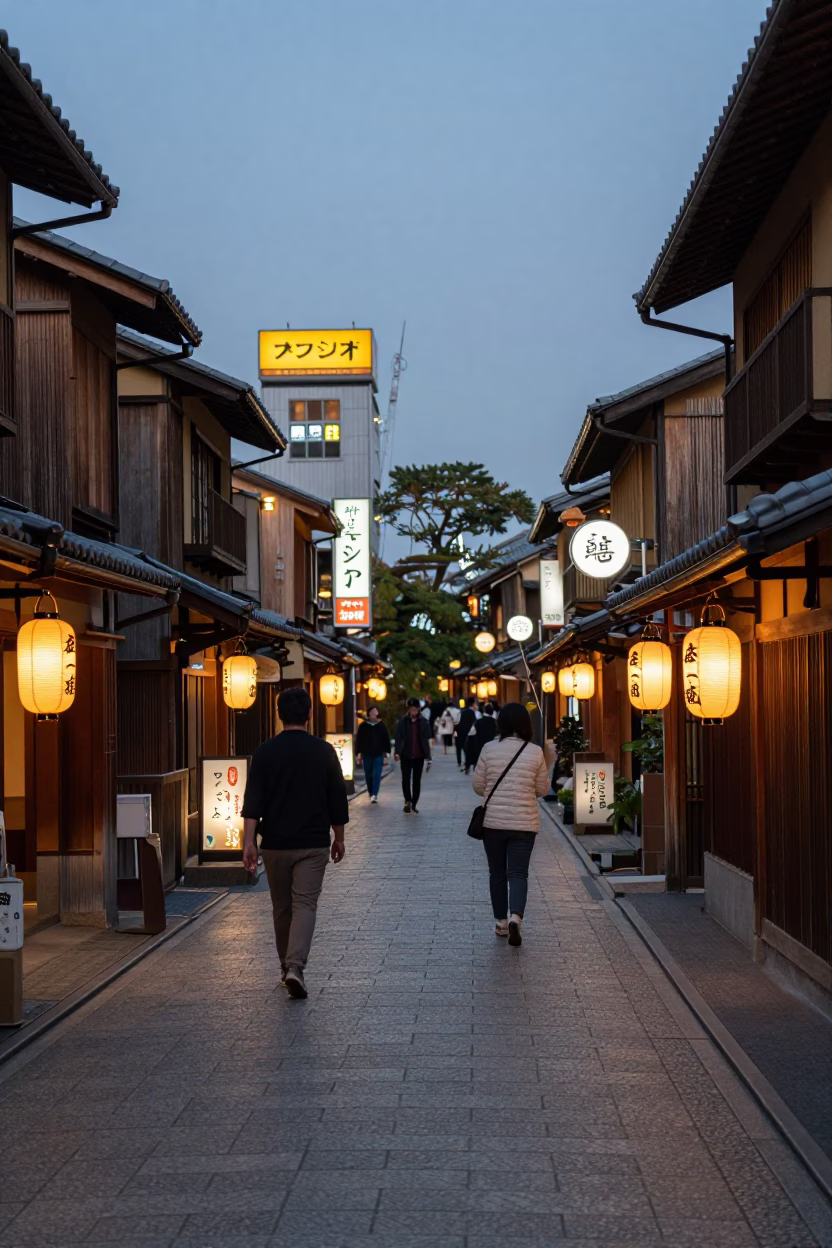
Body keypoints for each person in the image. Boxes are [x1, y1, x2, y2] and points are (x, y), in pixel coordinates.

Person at [242, 687, 348, 1000]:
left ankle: (286, 967)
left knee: (282, 908)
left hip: (274, 842)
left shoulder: (264, 752)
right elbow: (336, 798)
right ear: (310, 714)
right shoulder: (324, 751)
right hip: (313, 843)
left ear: (279, 714)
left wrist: (249, 841)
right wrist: (338, 837)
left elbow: (253, 801)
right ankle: (295, 967)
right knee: (305, 904)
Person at [472, 701, 550, 948]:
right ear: (526, 725)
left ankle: (501, 922)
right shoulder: (535, 752)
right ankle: (516, 916)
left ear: (501, 724)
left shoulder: (488, 748)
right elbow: (542, 789)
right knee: (518, 872)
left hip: (493, 823)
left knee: (497, 873)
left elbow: (478, 786)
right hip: (524, 824)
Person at [394, 696, 432, 812]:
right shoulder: (402, 722)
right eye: (411, 708)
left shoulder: (424, 722)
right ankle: (407, 800)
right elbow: (398, 738)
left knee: (416, 780)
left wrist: (428, 756)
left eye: (415, 708)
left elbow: (427, 739)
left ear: (419, 708)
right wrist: (397, 752)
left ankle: (414, 802)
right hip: (406, 755)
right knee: (405, 779)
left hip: (419, 756)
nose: (413, 710)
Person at [355, 706, 390, 802]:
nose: (375, 712)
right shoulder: (363, 726)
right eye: (373, 711)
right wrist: (358, 753)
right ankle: (370, 792)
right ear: (369, 713)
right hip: (366, 753)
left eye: (376, 711)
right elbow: (359, 740)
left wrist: (386, 754)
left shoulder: (381, 725)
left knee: (377, 774)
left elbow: (386, 740)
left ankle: (374, 794)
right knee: (368, 774)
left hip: (378, 753)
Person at [457, 696, 481, 775]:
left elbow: (460, 723)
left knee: (467, 752)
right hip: (474, 735)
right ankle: (474, 766)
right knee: (475, 751)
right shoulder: (476, 713)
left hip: (464, 735)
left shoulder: (463, 712)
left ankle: (467, 767)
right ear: (473, 704)